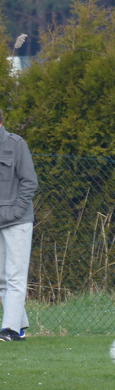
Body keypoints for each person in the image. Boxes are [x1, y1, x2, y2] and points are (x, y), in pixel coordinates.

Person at [0, 109, 38, 342]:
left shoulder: (16, 144)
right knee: (2, 278)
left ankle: (10, 330)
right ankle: (19, 327)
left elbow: (29, 181)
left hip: (18, 222)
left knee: (15, 276)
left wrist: (15, 211)